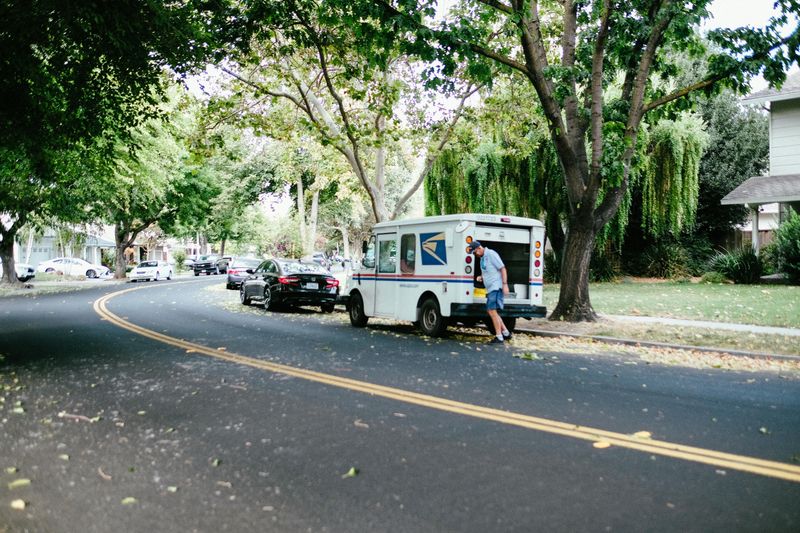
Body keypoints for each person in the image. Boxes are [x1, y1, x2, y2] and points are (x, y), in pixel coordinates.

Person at [468, 241, 512, 344]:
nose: (475, 255)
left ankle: (499, 337)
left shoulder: (491, 254)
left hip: (496, 286)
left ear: (479, 248)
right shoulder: (482, 258)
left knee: (491, 311)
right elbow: (490, 271)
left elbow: (502, 269)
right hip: (490, 287)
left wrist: (505, 285)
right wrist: (482, 277)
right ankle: (506, 333)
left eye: (474, 253)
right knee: (493, 312)